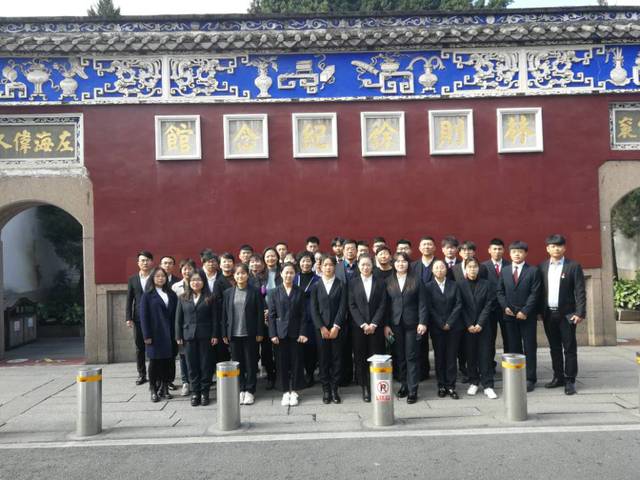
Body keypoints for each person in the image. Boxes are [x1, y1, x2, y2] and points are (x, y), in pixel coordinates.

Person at [538, 234, 586, 395]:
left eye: (559, 246)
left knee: (569, 348)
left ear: (564, 248)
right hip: (548, 314)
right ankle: (558, 377)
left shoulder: (573, 266)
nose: (556, 249)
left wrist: (580, 312)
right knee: (554, 348)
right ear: (547, 248)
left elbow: (580, 291)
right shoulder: (542, 267)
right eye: (552, 246)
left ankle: (570, 380)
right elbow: (539, 291)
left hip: (567, 315)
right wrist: (538, 312)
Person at [497, 241, 541, 392]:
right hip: (509, 315)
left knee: (529, 347)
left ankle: (530, 378)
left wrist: (525, 310)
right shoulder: (505, 270)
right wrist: (505, 307)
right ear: (509, 254)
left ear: (525, 254)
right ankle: (515, 376)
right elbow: (500, 291)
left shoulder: (533, 271)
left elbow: (535, 293)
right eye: (514, 251)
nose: (517, 254)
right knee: (513, 347)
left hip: (527, 316)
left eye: (520, 251)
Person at [384, 252, 427, 404]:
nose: (400, 264)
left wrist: (422, 322)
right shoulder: (388, 281)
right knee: (400, 357)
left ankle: (413, 389)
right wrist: (386, 325)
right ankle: (404, 385)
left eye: (403, 261)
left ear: (408, 263)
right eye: (397, 261)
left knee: (411, 356)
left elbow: (423, 303)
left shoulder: (416, 280)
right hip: (395, 324)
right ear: (393, 264)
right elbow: (386, 305)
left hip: (413, 324)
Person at [222, 264, 265, 405]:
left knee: (251, 362)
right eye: (237, 273)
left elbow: (260, 313)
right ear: (234, 276)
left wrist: (260, 331)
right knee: (237, 363)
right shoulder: (228, 293)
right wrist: (224, 333)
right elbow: (224, 315)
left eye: (243, 273)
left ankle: (250, 390)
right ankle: (241, 389)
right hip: (234, 334)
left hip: (250, 333)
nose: (240, 276)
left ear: (247, 275)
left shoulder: (255, 292)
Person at [268, 262, 308, 406]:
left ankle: (295, 391)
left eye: (291, 273)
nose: (289, 275)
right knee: (281, 363)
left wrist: (303, 332)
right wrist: (273, 334)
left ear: (295, 274)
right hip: (280, 333)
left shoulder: (300, 291)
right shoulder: (274, 292)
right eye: (286, 272)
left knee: (297, 362)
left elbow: (304, 314)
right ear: (281, 274)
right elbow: (271, 315)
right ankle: (285, 391)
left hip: (296, 333)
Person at [175, 271, 217, 406]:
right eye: (193, 280)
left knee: (205, 364)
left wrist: (215, 334)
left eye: (198, 280)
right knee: (191, 365)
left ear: (203, 281)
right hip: (188, 336)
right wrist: (178, 335)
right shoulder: (183, 297)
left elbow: (215, 318)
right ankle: (195, 392)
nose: (195, 282)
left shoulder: (210, 297)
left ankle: (205, 392)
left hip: (206, 335)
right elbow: (178, 319)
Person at [348, 254, 386, 402]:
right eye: (363, 264)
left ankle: (377, 385)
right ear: (358, 266)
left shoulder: (380, 282)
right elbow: (352, 305)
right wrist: (363, 324)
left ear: (372, 266)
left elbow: (383, 304)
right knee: (361, 357)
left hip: (376, 327)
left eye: (368, 264)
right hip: (359, 327)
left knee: (376, 356)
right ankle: (364, 387)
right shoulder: (353, 283)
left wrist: (374, 323)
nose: (365, 267)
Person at [310, 255, 347, 404]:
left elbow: (343, 307)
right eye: (325, 265)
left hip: (337, 328)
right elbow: (313, 309)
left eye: (331, 265)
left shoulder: (341, 284)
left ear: (335, 267)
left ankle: (335, 389)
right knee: (323, 359)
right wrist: (321, 327)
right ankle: (326, 389)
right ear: (320, 267)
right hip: (321, 329)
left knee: (337, 358)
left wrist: (336, 326)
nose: (328, 267)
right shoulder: (316, 286)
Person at [458, 258, 497, 399]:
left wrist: (480, 323)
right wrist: (469, 324)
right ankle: (473, 381)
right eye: (469, 267)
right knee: (470, 354)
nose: (472, 269)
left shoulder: (487, 284)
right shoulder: (460, 285)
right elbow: (460, 306)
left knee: (485, 355)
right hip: (467, 327)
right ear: (465, 269)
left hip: (484, 326)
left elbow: (489, 305)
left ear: (479, 268)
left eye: (475, 266)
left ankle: (488, 385)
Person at [425, 259, 463, 399]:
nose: (439, 270)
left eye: (442, 267)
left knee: (451, 356)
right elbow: (429, 307)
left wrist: (449, 322)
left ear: (446, 270)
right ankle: (441, 385)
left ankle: (451, 386)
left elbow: (459, 304)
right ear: (432, 270)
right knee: (439, 356)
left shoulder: (454, 285)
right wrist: (441, 323)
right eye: (436, 268)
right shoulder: (428, 287)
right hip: (437, 327)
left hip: (454, 326)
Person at [139, 267, 177, 402]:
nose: (161, 278)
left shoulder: (171, 294)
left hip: (170, 334)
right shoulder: (147, 295)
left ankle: (165, 387)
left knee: (167, 362)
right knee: (154, 362)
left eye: (163, 276)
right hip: (155, 334)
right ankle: (153, 389)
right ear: (152, 278)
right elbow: (143, 317)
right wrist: (146, 335)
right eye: (157, 276)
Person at [481, 238, 510, 372]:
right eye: (494, 249)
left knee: (508, 338)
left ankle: (508, 366)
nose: (497, 251)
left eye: (499, 249)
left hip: (507, 308)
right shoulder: (483, 267)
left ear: (503, 250)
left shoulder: (510, 265)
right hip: (490, 309)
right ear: (489, 250)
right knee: (489, 339)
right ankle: (489, 366)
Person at [126, 250, 154, 386]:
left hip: (154, 317)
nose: (145, 262)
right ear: (138, 263)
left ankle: (156, 374)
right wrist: (128, 317)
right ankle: (142, 374)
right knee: (139, 347)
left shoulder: (156, 277)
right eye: (142, 260)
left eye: (147, 260)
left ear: (152, 262)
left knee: (154, 346)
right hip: (137, 317)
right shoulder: (133, 279)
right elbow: (129, 299)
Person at [411, 236, 437, 381]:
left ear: (434, 247)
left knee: (439, 343)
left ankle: (441, 372)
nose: (427, 247)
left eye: (429, 244)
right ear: (419, 248)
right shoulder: (413, 266)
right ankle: (422, 372)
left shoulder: (440, 264)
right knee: (420, 343)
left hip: (438, 310)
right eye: (424, 245)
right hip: (419, 311)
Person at [172, 258, 197, 397]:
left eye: (190, 268)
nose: (187, 271)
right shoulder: (175, 287)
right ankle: (185, 382)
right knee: (183, 356)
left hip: (196, 326)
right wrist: (177, 332)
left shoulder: (199, 283)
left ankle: (195, 381)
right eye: (185, 269)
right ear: (181, 270)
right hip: (182, 326)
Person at [295, 251, 320, 387]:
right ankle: (299, 374)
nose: (306, 263)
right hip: (296, 318)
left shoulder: (318, 279)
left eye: (309, 261)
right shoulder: (294, 278)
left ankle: (310, 373)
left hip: (311, 318)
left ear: (313, 262)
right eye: (303, 261)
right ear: (299, 263)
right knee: (297, 348)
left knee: (311, 348)